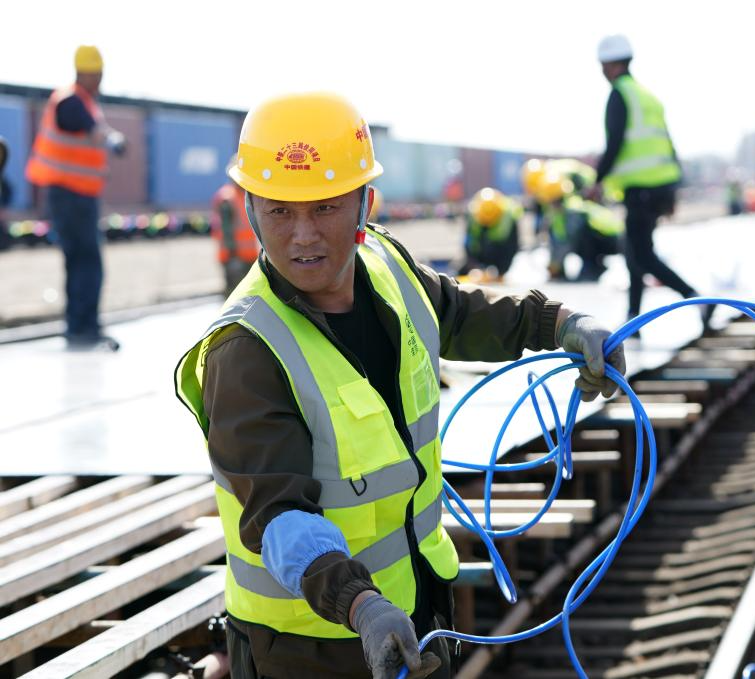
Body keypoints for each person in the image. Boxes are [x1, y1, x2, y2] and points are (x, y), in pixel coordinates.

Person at [174, 92, 626, 679]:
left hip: (412, 604)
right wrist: (361, 605)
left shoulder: (385, 266)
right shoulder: (247, 349)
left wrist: (560, 324)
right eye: (279, 211)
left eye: (325, 207)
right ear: (251, 210)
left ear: (365, 202)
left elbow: (456, 311)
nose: (303, 235)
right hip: (308, 648)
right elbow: (279, 516)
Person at [589, 34, 712, 329]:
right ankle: (633, 319)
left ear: (611, 65)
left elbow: (615, 143)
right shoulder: (647, 96)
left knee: (642, 255)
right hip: (660, 186)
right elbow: (668, 144)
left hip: (641, 190)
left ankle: (695, 297)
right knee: (635, 252)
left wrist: (597, 181)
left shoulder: (620, 94)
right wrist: (674, 188)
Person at [25, 45, 126, 350]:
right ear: (85, 74)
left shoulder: (84, 102)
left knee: (80, 261)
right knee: (87, 262)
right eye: (97, 75)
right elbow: (87, 127)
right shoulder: (71, 101)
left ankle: (79, 325)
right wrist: (112, 139)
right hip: (71, 196)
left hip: (76, 196)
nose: (100, 81)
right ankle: (84, 327)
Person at [210, 158, 261, 293]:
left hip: (249, 256)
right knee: (234, 294)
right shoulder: (228, 198)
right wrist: (233, 257)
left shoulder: (246, 196)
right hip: (234, 258)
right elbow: (226, 229)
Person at [459, 187, 521, 280]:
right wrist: (474, 268)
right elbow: (468, 244)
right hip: (479, 257)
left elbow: (511, 249)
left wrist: (501, 272)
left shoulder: (508, 219)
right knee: (460, 270)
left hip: (499, 253)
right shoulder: (474, 214)